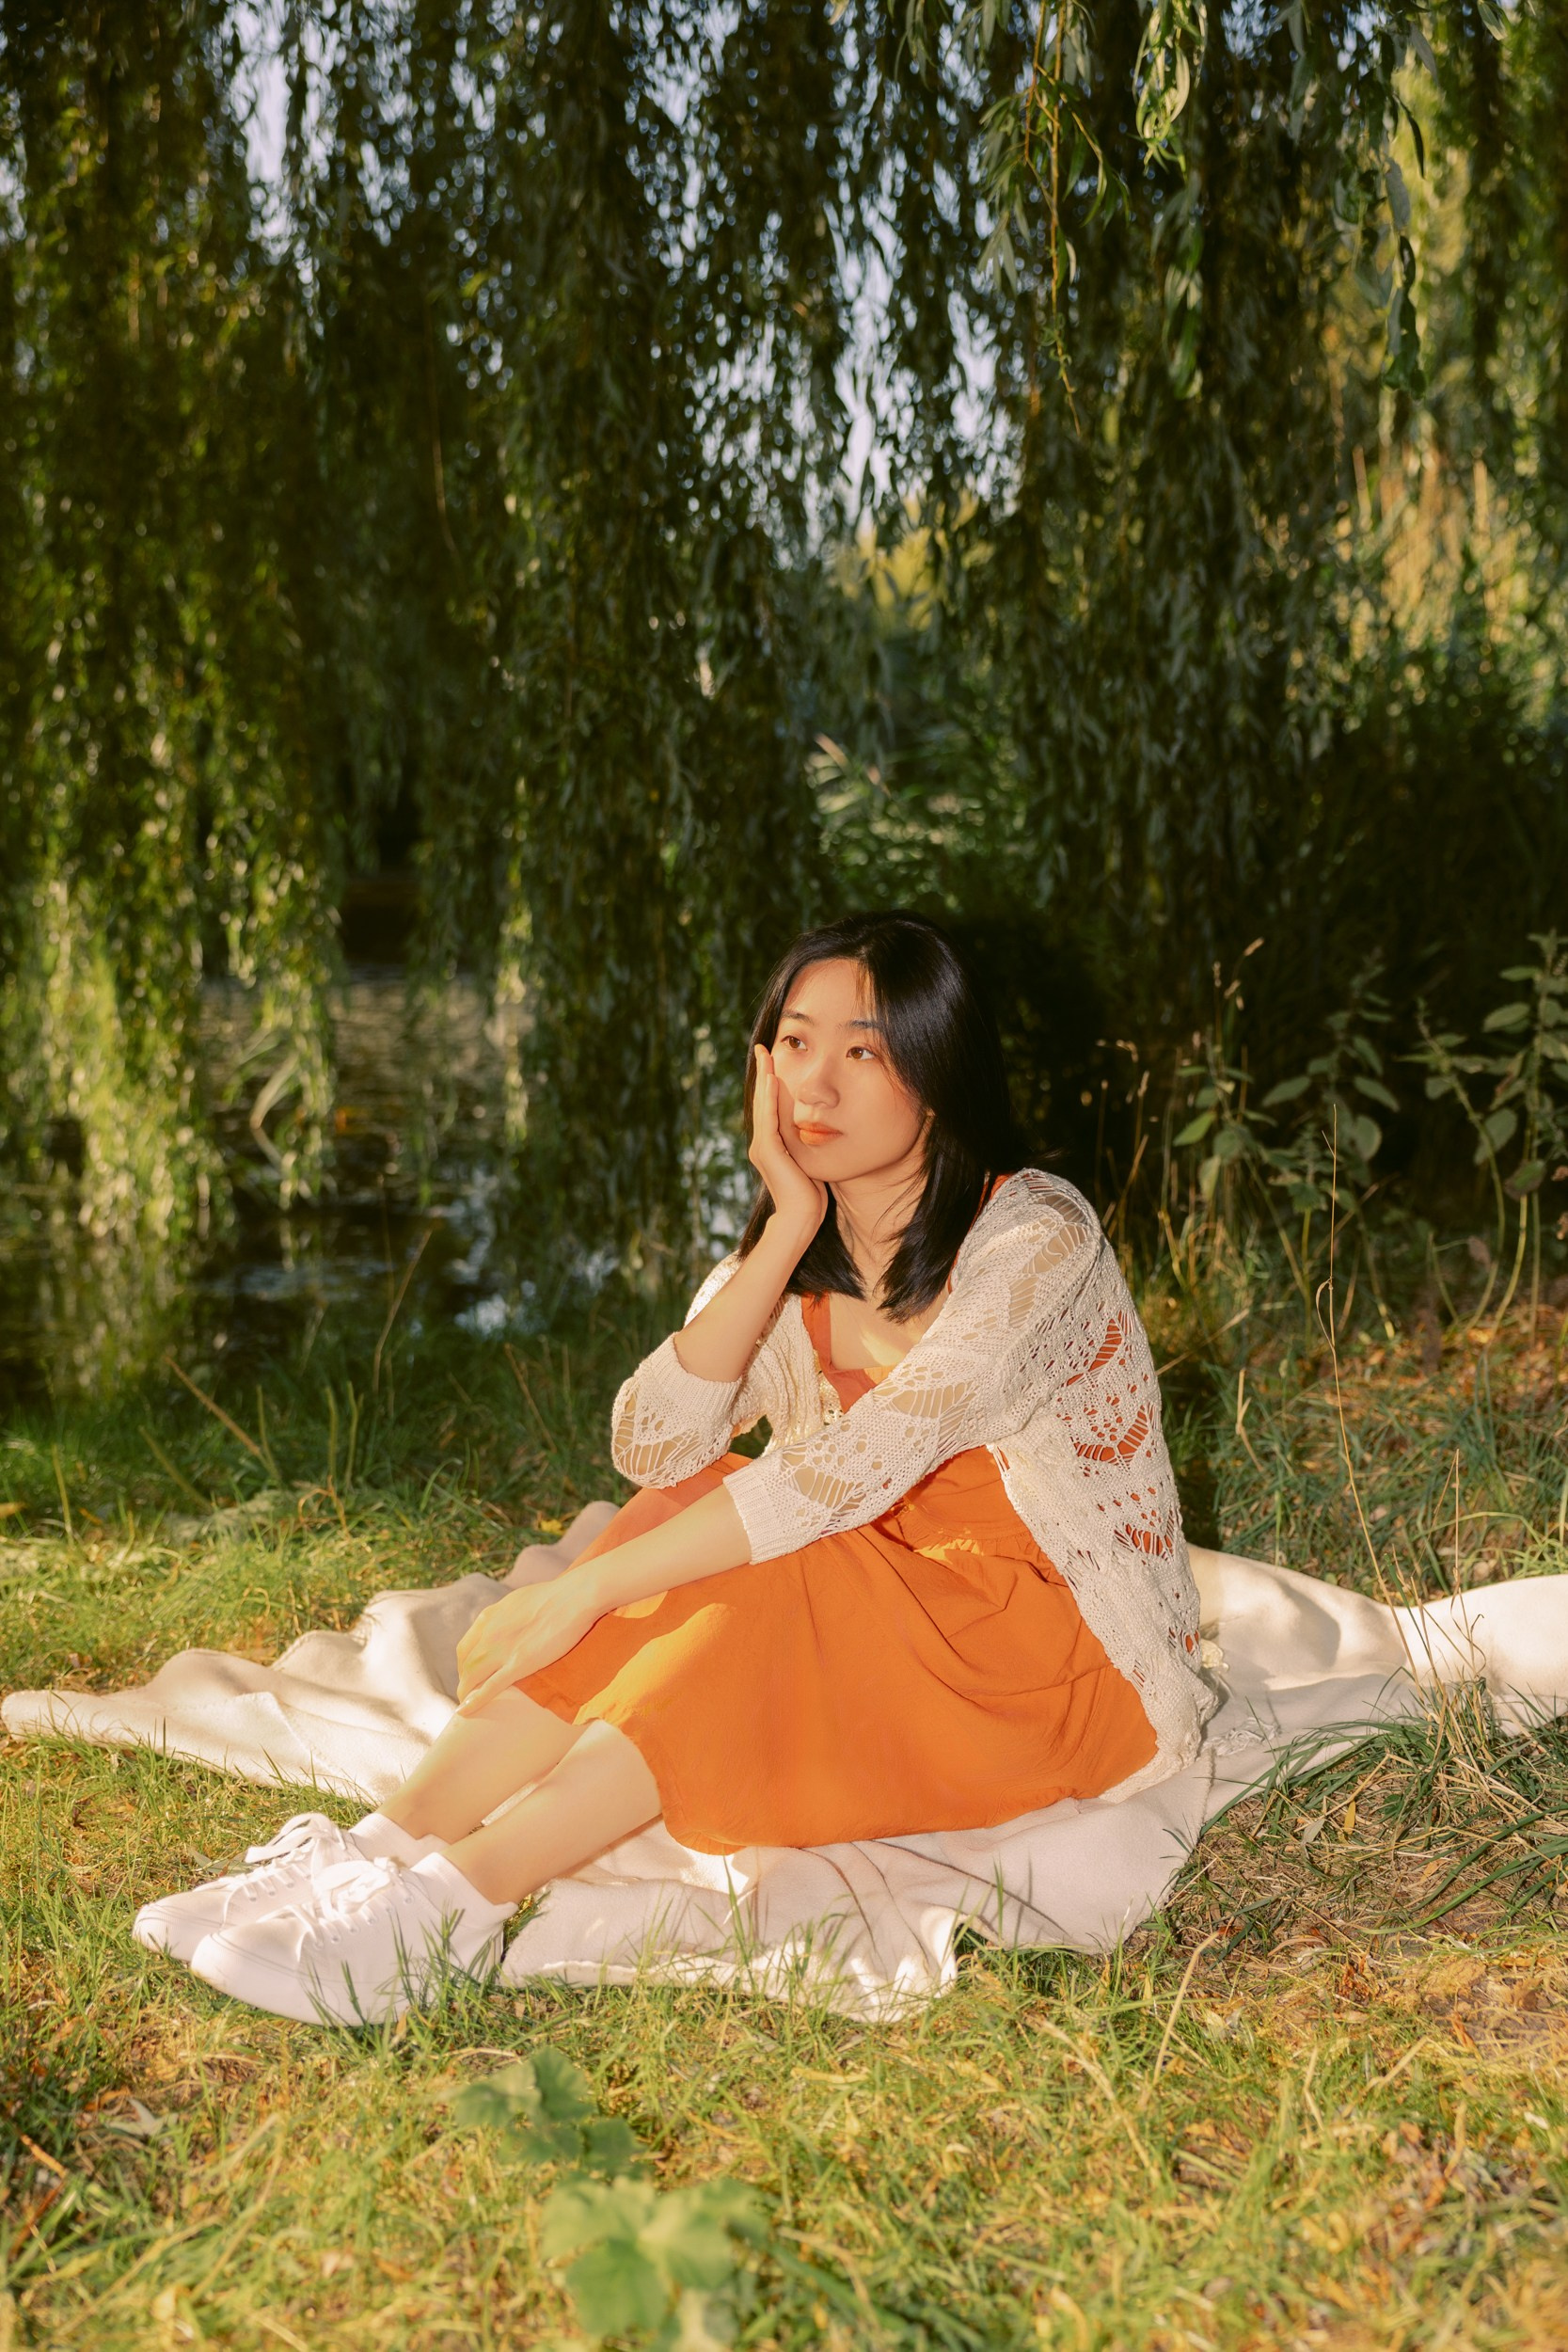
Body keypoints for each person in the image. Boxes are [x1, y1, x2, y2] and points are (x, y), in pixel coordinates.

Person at [134, 911, 1214, 2023]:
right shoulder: (799, 1246)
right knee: (678, 1502)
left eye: (864, 1050)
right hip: (870, 1600)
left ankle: (449, 1908)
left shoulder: (1036, 1237)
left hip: (1042, 1657)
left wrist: (587, 1588)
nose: (816, 1086)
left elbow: (846, 1474)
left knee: (774, 1554)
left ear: (937, 1073)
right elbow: (650, 1440)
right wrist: (783, 1229)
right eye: (793, 1043)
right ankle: (374, 1848)